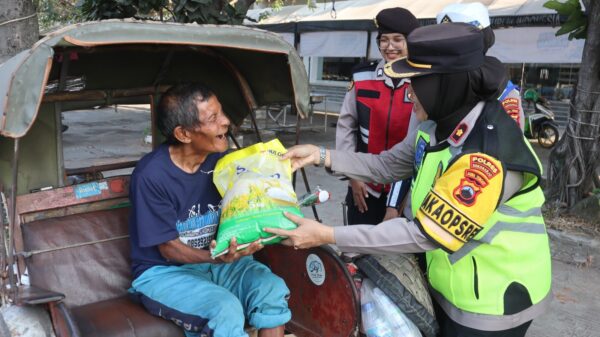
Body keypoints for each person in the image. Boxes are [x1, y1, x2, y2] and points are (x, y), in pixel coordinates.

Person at [266, 23, 551, 337]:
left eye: (416, 82)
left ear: (445, 84)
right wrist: (321, 155)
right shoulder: (435, 125)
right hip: (448, 281)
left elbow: (424, 234)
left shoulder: (484, 156)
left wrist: (328, 234)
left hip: (492, 299)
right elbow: (388, 164)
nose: (407, 91)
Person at [128, 83, 290, 337]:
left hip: (220, 261)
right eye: (213, 118)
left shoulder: (223, 162)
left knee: (270, 289)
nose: (226, 122)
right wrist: (217, 258)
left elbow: (247, 207)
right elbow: (168, 248)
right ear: (183, 134)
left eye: (222, 112)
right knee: (225, 309)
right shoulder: (152, 176)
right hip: (163, 273)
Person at [336, 7, 419, 225]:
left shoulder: (423, 80)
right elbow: (347, 126)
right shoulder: (362, 75)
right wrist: (352, 175)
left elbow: (419, 142)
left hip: (407, 191)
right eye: (384, 40)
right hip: (364, 186)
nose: (390, 46)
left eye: (397, 40)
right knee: (356, 250)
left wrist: (398, 199)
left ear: (410, 42)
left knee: (401, 257)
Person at [436, 2, 525, 131]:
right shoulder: (433, 83)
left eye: (457, 39)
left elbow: (512, 144)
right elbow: (414, 139)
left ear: (481, 41)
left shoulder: (503, 92)